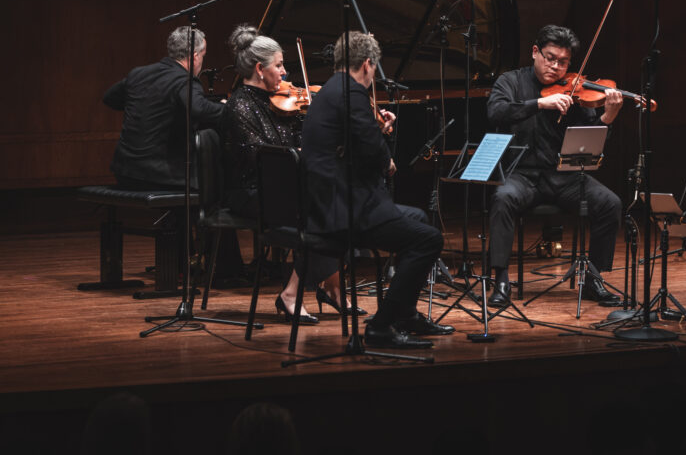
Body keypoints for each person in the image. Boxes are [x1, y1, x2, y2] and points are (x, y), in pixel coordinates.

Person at [302, 30, 452, 348]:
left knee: (419, 219)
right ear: (368, 64)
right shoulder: (352, 93)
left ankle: (404, 314)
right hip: (345, 211)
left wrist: (377, 130)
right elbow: (374, 153)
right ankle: (381, 326)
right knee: (429, 239)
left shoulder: (330, 90)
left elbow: (354, 143)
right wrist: (386, 155)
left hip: (329, 204)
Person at [222, 25, 365, 325]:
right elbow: (260, 158)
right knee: (327, 209)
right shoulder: (239, 106)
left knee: (345, 201)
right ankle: (292, 293)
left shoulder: (280, 102)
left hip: (287, 186)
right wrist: (300, 154)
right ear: (260, 69)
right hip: (252, 191)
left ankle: (332, 288)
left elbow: (303, 141)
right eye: (279, 65)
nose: (285, 72)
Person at [485, 24, 624, 308]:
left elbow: (589, 136)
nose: (556, 67)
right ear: (535, 52)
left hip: (563, 176)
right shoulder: (510, 81)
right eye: (550, 58)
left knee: (610, 203)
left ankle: (593, 278)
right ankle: (500, 280)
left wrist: (607, 117)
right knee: (502, 198)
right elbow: (496, 112)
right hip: (521, 175)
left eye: (563, 62)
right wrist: (540, 103)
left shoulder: (575, 89)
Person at [103, 25, 224, 190]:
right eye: (203, 55)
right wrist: (228, 108)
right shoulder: (185, 79)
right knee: (217, 183)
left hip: (125, 172)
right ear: (195, 56)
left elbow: (109, 98)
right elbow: (199, 109)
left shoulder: (139, 73)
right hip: (162, 177)